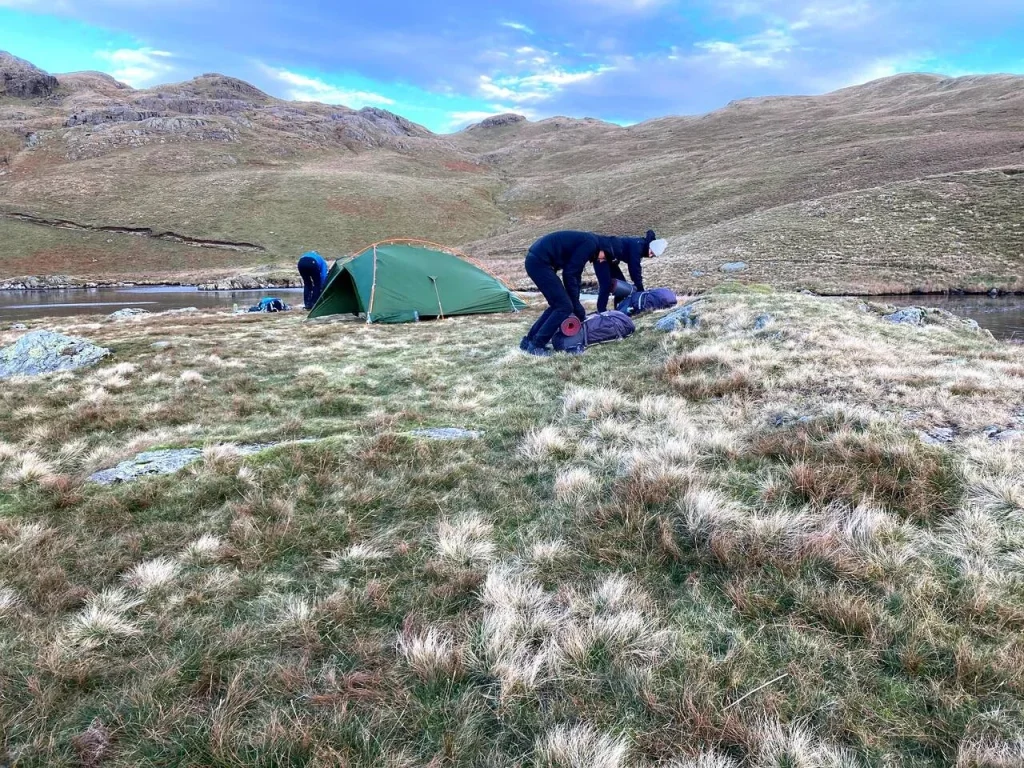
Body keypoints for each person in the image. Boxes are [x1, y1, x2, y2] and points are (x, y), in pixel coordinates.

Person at [520, 230, 614, 356]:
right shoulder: (591, 244)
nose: (602, 261)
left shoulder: (589, 242)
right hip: (539, 263)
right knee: (564, 306)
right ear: (603, 249)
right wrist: (575, 304)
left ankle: (529, 341)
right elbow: (569, 273)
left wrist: (575, 300)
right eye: (605, 257)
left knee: (557, 305)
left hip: (537, 262)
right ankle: (537, 345)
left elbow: (576, 274)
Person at [599, 229, 667, 312]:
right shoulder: (638, 246)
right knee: (607, 285)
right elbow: (634, 268)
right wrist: (640, 289)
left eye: (653, 255)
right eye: (651, 252)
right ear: (650, 246)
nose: (650, 255)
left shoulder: (642, 245)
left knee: (620, 285)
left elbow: (635, 268)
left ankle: (619, 311)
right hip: (603, 256)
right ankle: (602, 311)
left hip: (611, 259)